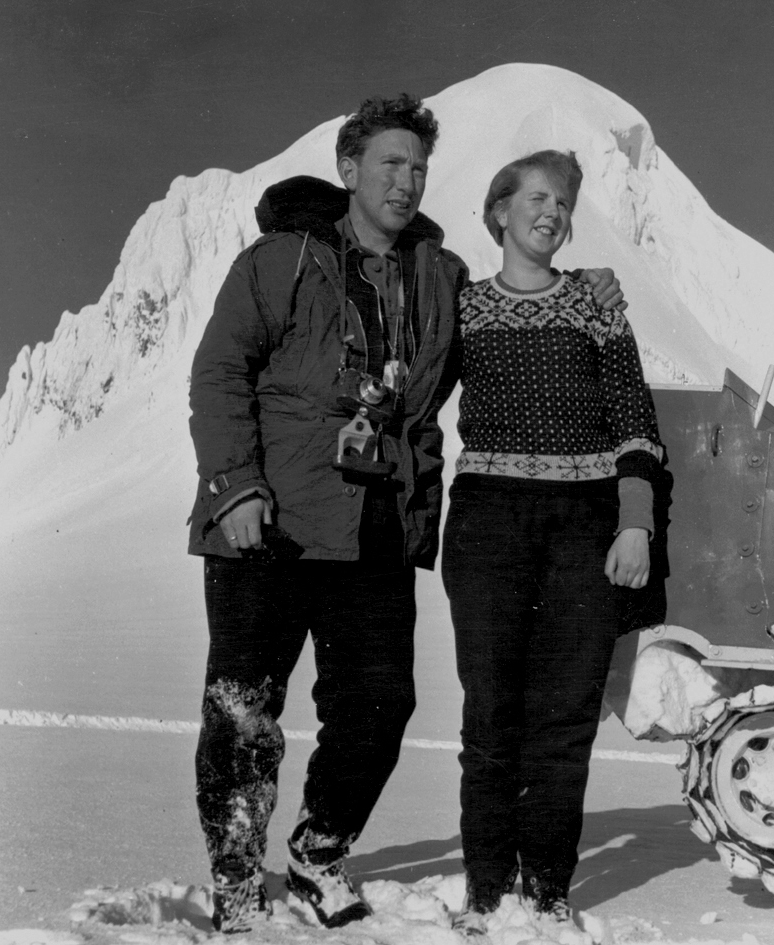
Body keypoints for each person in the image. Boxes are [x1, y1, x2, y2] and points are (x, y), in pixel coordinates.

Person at [187, 95, 625, 933]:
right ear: (348, 170)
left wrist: (583, 288)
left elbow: (511, 310)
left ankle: (319, 848)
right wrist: (235, 486)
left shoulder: (442, 277)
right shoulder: (279, 260)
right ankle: (237, 873)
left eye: (418, 166)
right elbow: (219, 374)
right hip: (267, 521)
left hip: (377, 528)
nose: (407, 179)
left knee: (381, 704)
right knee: (243, 709)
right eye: (390, 163)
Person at [441, 150, 664, 936]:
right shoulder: (460, 308)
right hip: (486, 521)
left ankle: (546, 893)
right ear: (500, 210)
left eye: (564, 203)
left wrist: (633, 520)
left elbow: (636, 418)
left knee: (565, 719)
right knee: (490, 713)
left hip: (585, 525)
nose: (552, 213)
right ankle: (484, 886)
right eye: (537, 197)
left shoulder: (596, 305)